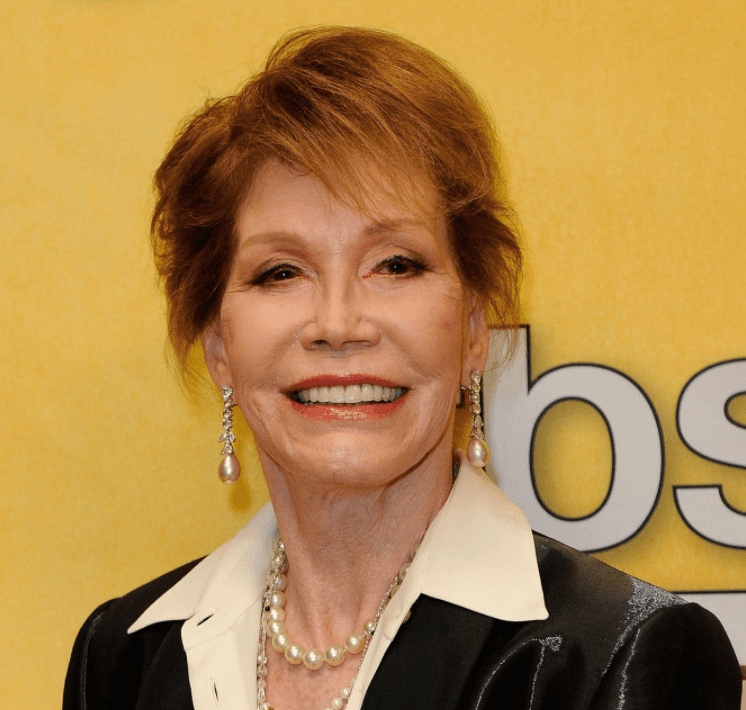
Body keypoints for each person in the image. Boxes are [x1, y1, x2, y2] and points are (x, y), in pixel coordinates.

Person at [63, 26, 741, 710]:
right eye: (281, 271)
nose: (338, 324)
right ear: (219, 349)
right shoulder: (121, 661)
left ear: (474, 330)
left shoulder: (619, 660)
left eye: (395, 264)